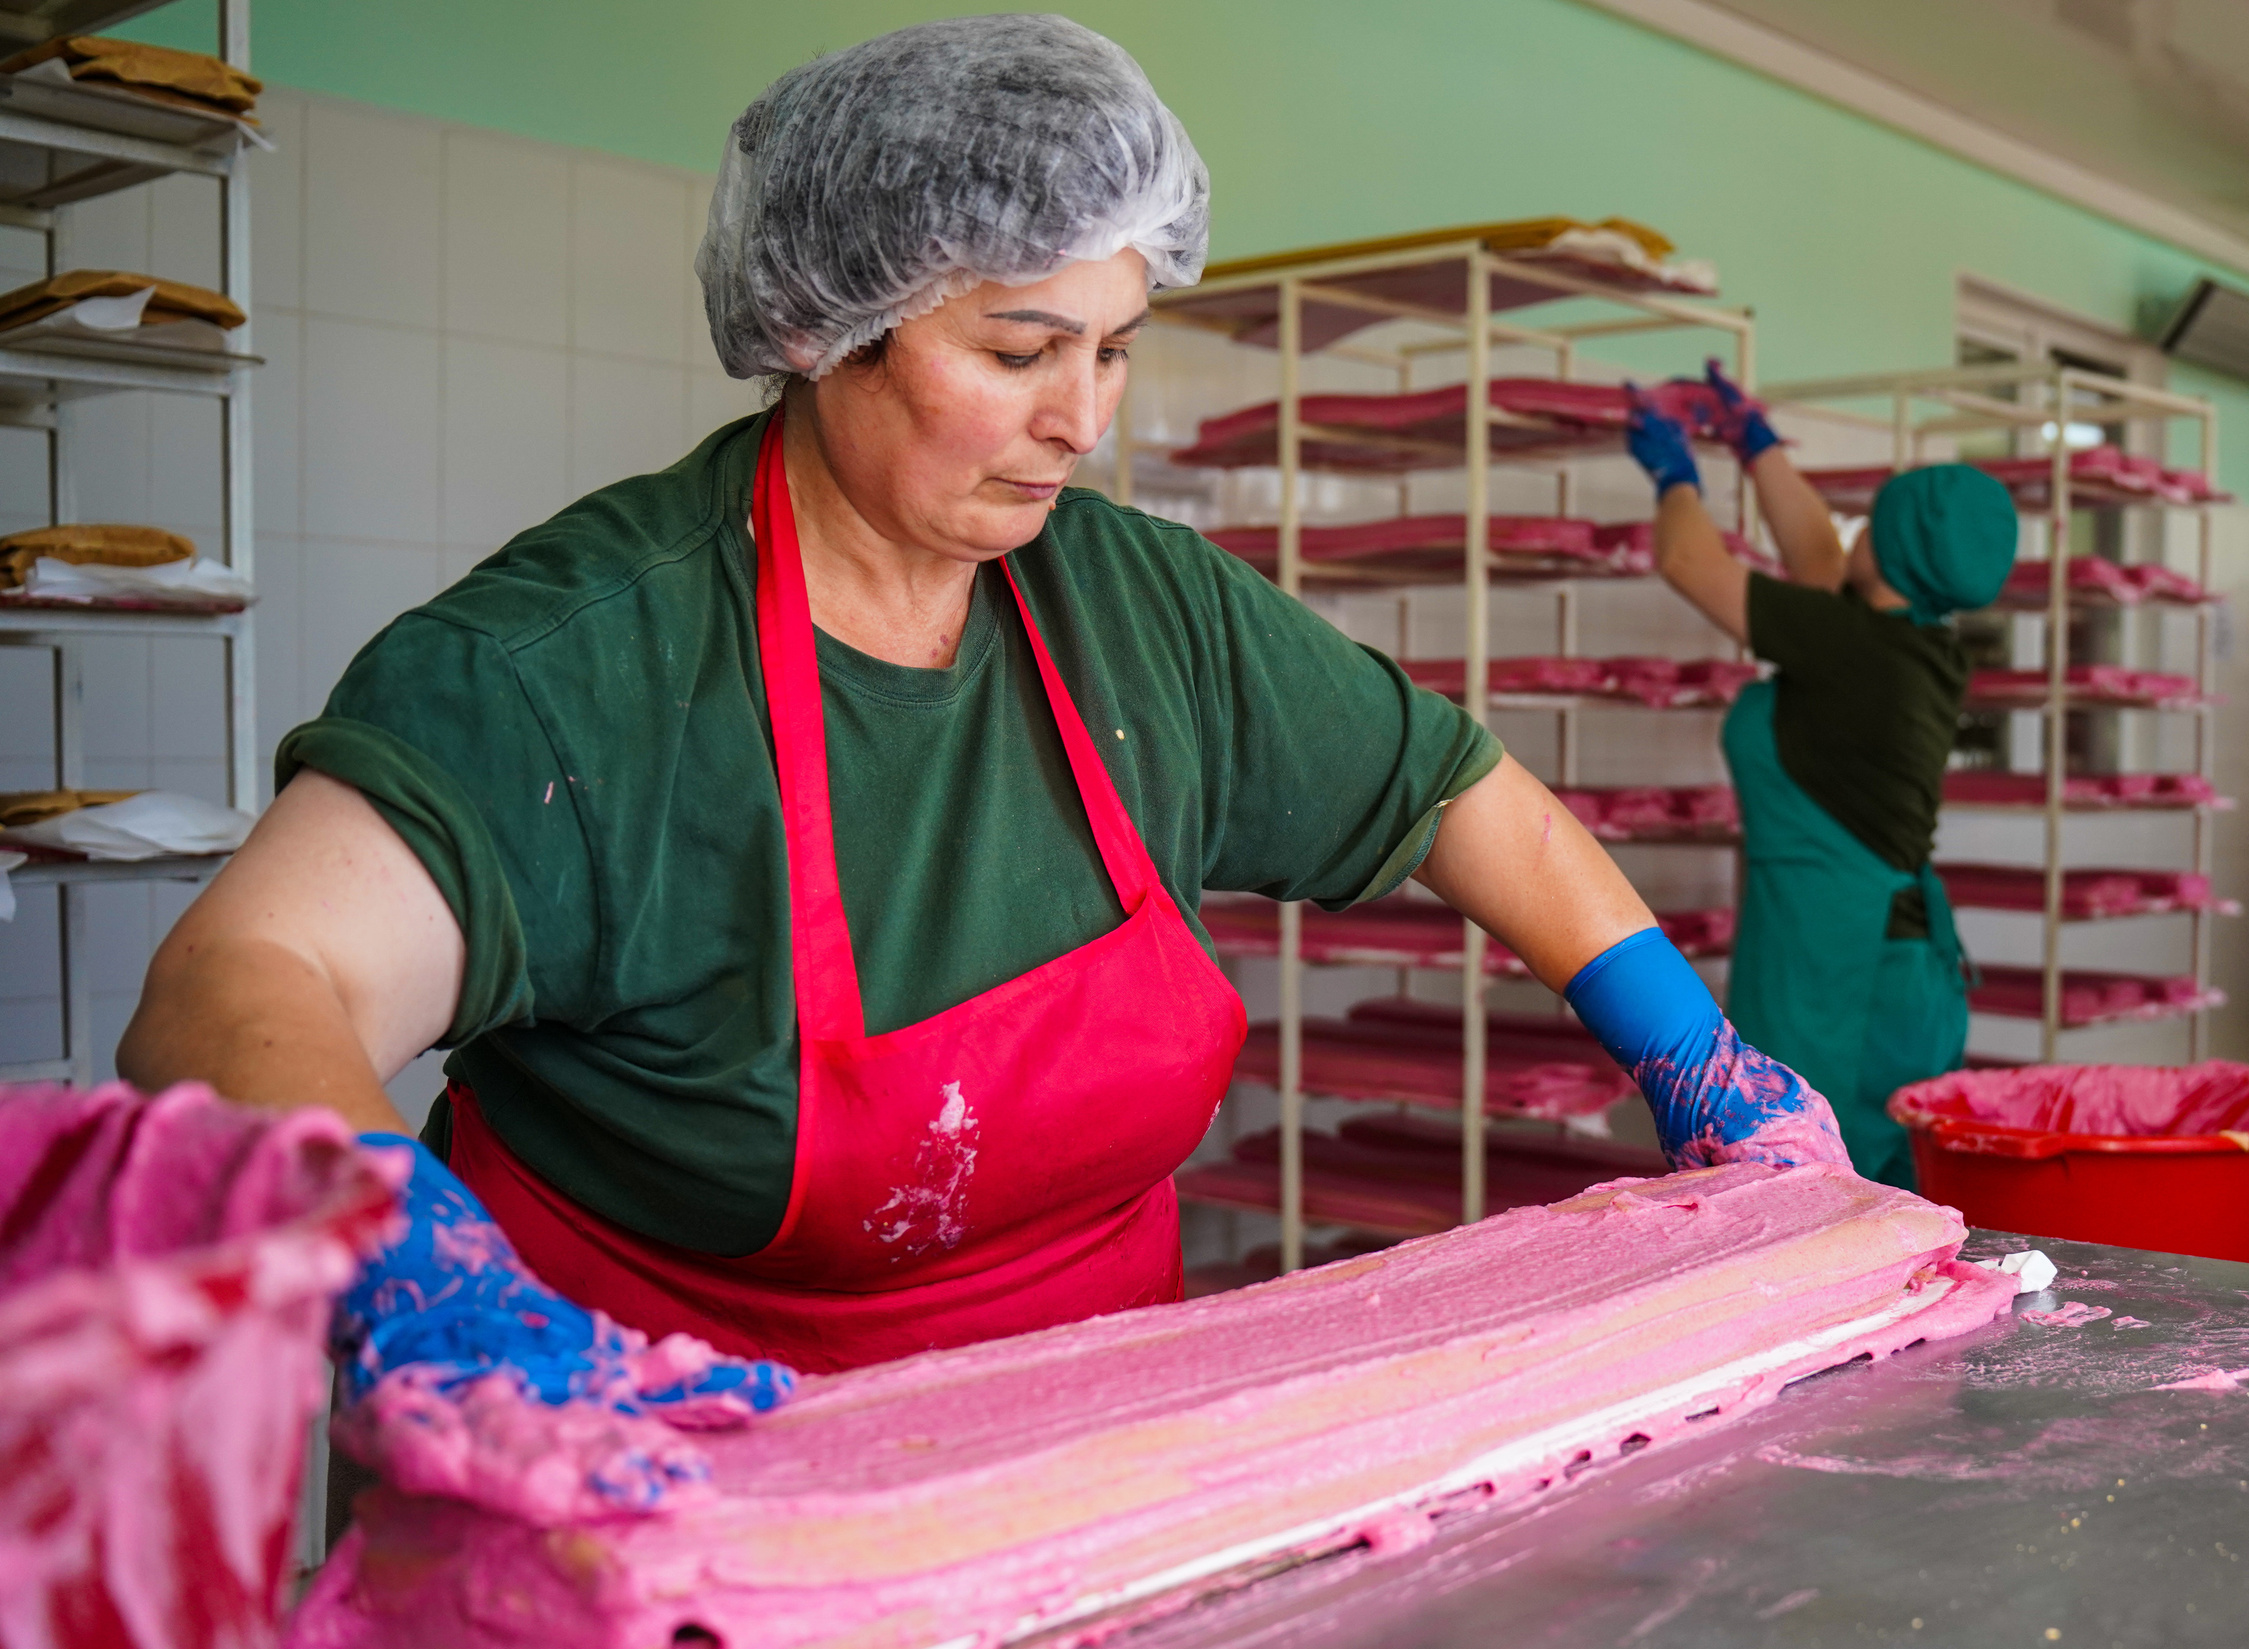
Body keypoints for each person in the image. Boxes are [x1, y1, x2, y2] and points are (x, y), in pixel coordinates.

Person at [120, 18, 1848, 1410]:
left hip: (1076, 1456)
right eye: (1021, 352)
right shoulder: (586, 667)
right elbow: (242, 981)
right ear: (827, 328)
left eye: (1112, 347)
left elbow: (1468, 794)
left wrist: (1692, 1057)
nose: (1081, 418)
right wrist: (413, 1268)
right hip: (657, 1470)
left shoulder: (1138, 608)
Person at [1626, 363, 2018, 1187]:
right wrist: (1754, 442)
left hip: (1846, 978)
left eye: (1872, 523)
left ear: (1892, 548)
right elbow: (1819, 557)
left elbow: (1689, 562)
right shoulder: (1908, 641)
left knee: (1825, 1196)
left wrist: (1676, 475)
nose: (1852, 534)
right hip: (1880, 963)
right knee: (1851, 1197)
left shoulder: (1855, 649)